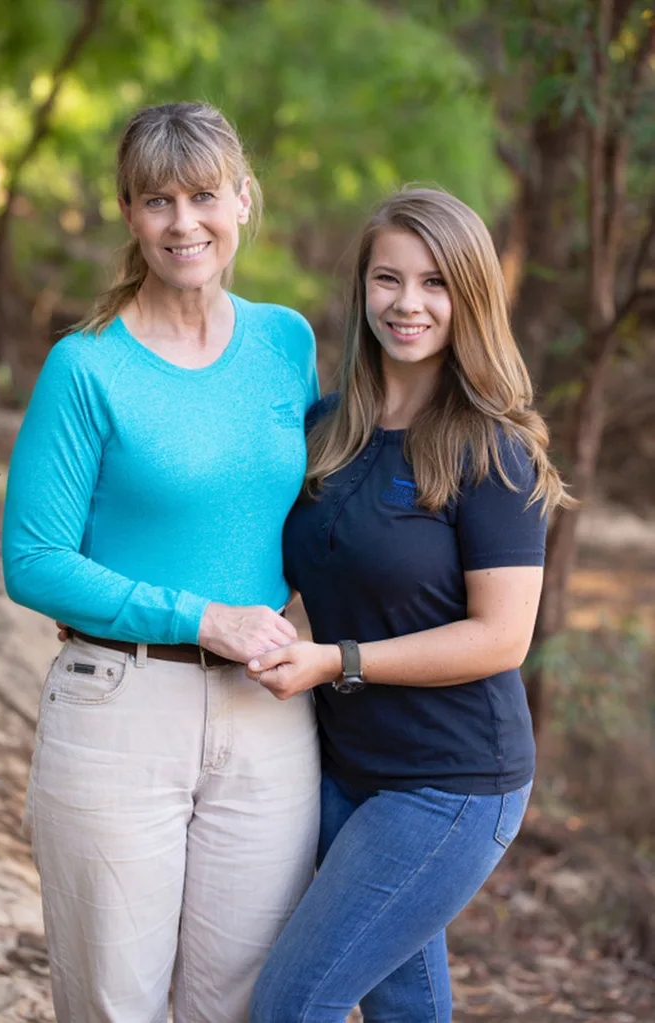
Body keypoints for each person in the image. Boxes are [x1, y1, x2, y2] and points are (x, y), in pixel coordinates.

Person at [1, 102, 322, 1023]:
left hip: (265, 713)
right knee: (115, 1006)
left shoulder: (285, 343)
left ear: (244, 201)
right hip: (119, 708)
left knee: (238, 1003)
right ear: (129, 215)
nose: (185, 223)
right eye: (156, 201)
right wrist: (201, 617)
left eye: (204, 195)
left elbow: (311, 507)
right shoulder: (85, 368)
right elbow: (33, 560)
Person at [246, 187, 572, 1023]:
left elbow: (501, 638)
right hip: (344, 764)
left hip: (451, 783)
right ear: (362, 290)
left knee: (293, 1002)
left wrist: (336, 660)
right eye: (387, 279)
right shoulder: (327, 428)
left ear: (468, 296)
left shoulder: (490, 447)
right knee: (404, 1008)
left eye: (434, 283)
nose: (407, 303)